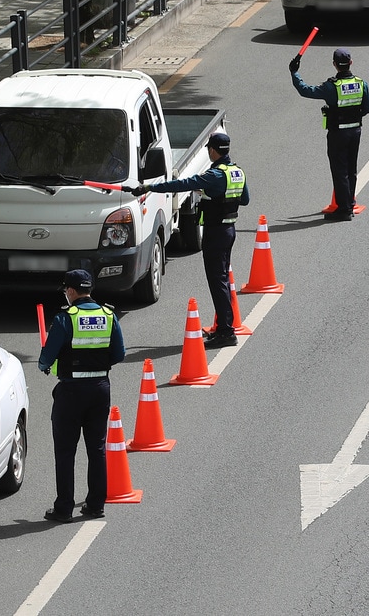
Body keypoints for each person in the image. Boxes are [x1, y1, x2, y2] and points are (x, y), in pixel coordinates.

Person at [132, 131, 248, 346]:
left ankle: (225, 332)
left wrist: (148, 187)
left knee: (218, 283)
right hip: (229, 231)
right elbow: (245, 200)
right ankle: (225, 327)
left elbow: (180, 185)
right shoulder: (237, 172)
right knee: (221, 279)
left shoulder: (214, 176)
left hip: (215, 234)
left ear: (213, 151)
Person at [40, 269, 125, 524]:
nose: (66, 293)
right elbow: (119, 353)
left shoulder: (66, 318)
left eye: (67, 289)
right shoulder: (108, 314)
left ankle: (64, 508)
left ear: (72, 291)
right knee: (96, 448)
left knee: (66, 452)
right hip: (100, 387)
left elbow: (47, 357)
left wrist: (45, 364)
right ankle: (96, 504)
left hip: (71, 391)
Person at [290, 47, 369, 221]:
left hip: (338, 133)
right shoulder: (361, 83)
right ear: (351, 63)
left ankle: (344, 210)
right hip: (355, 131)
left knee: (339, 170)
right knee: (351, 169)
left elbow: (305, 90)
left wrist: (294, 72)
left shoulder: (331, 87)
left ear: (334, 64)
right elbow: (367, 108)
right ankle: (349, 203)